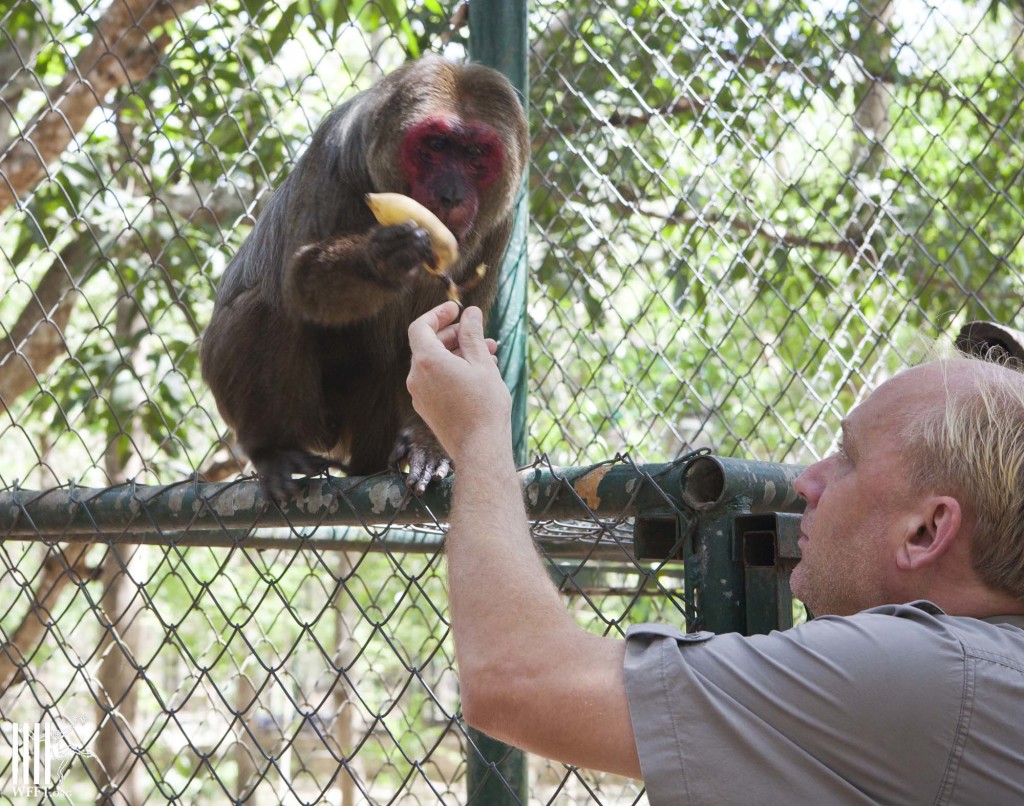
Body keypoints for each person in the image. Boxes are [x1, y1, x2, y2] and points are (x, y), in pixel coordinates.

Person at [406, 301, 1024, 804]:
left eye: (849, 458)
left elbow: (517, 679)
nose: (807, 482)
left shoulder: (929, 676)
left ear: (925, 531)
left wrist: (477, 430)